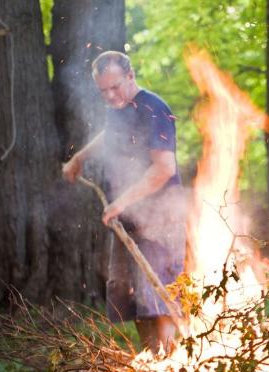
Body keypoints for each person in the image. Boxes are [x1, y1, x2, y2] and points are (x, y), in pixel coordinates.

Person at [62, 51, 184, 353]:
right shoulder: (117, 108)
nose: (110, 96)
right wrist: (80, 157)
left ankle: (169, 362)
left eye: (115, 87)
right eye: (103, 91)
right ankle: (151, 360)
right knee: (128, 291)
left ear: (130, 76)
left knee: (158, 293)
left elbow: (164, 168)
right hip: (127, 214)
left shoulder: (155, 109)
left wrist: (122, 202)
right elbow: (110, 134)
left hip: (160, 217)